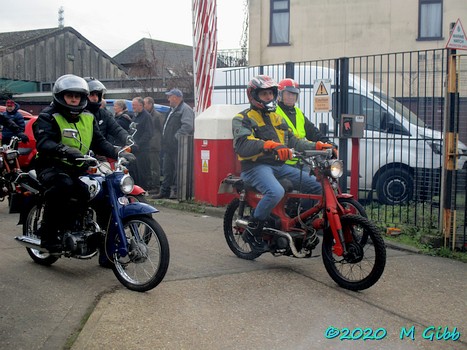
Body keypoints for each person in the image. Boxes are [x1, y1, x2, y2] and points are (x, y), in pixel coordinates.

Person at [33, 74, 135, 253]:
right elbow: (44, 142)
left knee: (97, 192)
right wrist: (64, 150)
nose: (74, 99)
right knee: (63, 186)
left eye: (78, 96)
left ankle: (94, 236)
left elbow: (99, 142)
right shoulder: (48, 116)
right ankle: (48, 237)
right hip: (51, 165)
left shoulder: (88, 116)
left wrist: (119, 151)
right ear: (60, 96)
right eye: (69, 96)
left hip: (79, 167)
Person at [232, 75, 334, 252]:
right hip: (255, 167)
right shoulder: (243, 118)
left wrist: (318, 145)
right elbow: (242, 145)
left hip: (280, 167)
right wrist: (268, 145)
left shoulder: (277, 119)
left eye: (271, 94)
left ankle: (301, 227)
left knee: (318, 187)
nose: (269, 98)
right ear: (253, 95)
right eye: (264, 94)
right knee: (275, 191)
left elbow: (294, 141)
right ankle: (252, 230)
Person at [276, 78, 335, 166]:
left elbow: (312, 131)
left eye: (294, 94)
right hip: (283, 161)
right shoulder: (275, 113)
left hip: (301, 159)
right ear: (280, 94)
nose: (291, 97)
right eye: (288, 94)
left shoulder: (298, 112)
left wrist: (327, 142)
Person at [153, 88, 194, 199]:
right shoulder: (172, 110)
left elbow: (188, 126)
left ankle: (175, 192)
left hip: (178, 146)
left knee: (177, 170)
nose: (168, 99)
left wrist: (176, 138)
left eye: (169, 96)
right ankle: (164, 191)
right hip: (168, 146)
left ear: (176, 97)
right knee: (167, 170)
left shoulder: (185, 109)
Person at [83, 77, 129, 147]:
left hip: (102, 151)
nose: (95, 98)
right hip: (83, 154)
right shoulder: (78, 114)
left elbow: (116, 129)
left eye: (97, 95)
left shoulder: (104, 114)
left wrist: (127, 138)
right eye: (91, 95)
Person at [131, 97, 153, 190]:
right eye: (132, 105)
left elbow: (149, 133)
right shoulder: (135, 115)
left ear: (141, 105)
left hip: (142, 149)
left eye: (134, 105)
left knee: (142, 170)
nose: (133, 107)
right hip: (133, 148)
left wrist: (139, 144)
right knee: (134, 170)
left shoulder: (146, 116)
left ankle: (143, 189)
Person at [143, 97, 164, 194]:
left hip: (154, 145)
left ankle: (156, 186)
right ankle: (151, 185)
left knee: (155, 167)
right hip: (148, 145)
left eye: (145, 104)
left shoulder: (157, 116)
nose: (144, 106)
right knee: (149, 167)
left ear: (150, 104)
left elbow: (161, 129)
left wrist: (158, 141)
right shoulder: (147, 115)